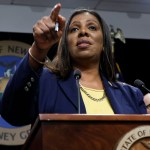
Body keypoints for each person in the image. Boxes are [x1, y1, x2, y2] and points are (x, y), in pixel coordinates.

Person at [0, 3, 147, 126]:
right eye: (74, 29)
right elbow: (12, 113)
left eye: (92, 27)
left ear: (104, 43)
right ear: (66, 44)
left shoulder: (131, 95)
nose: (83, 32)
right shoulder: (46, 82)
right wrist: (39, 49)